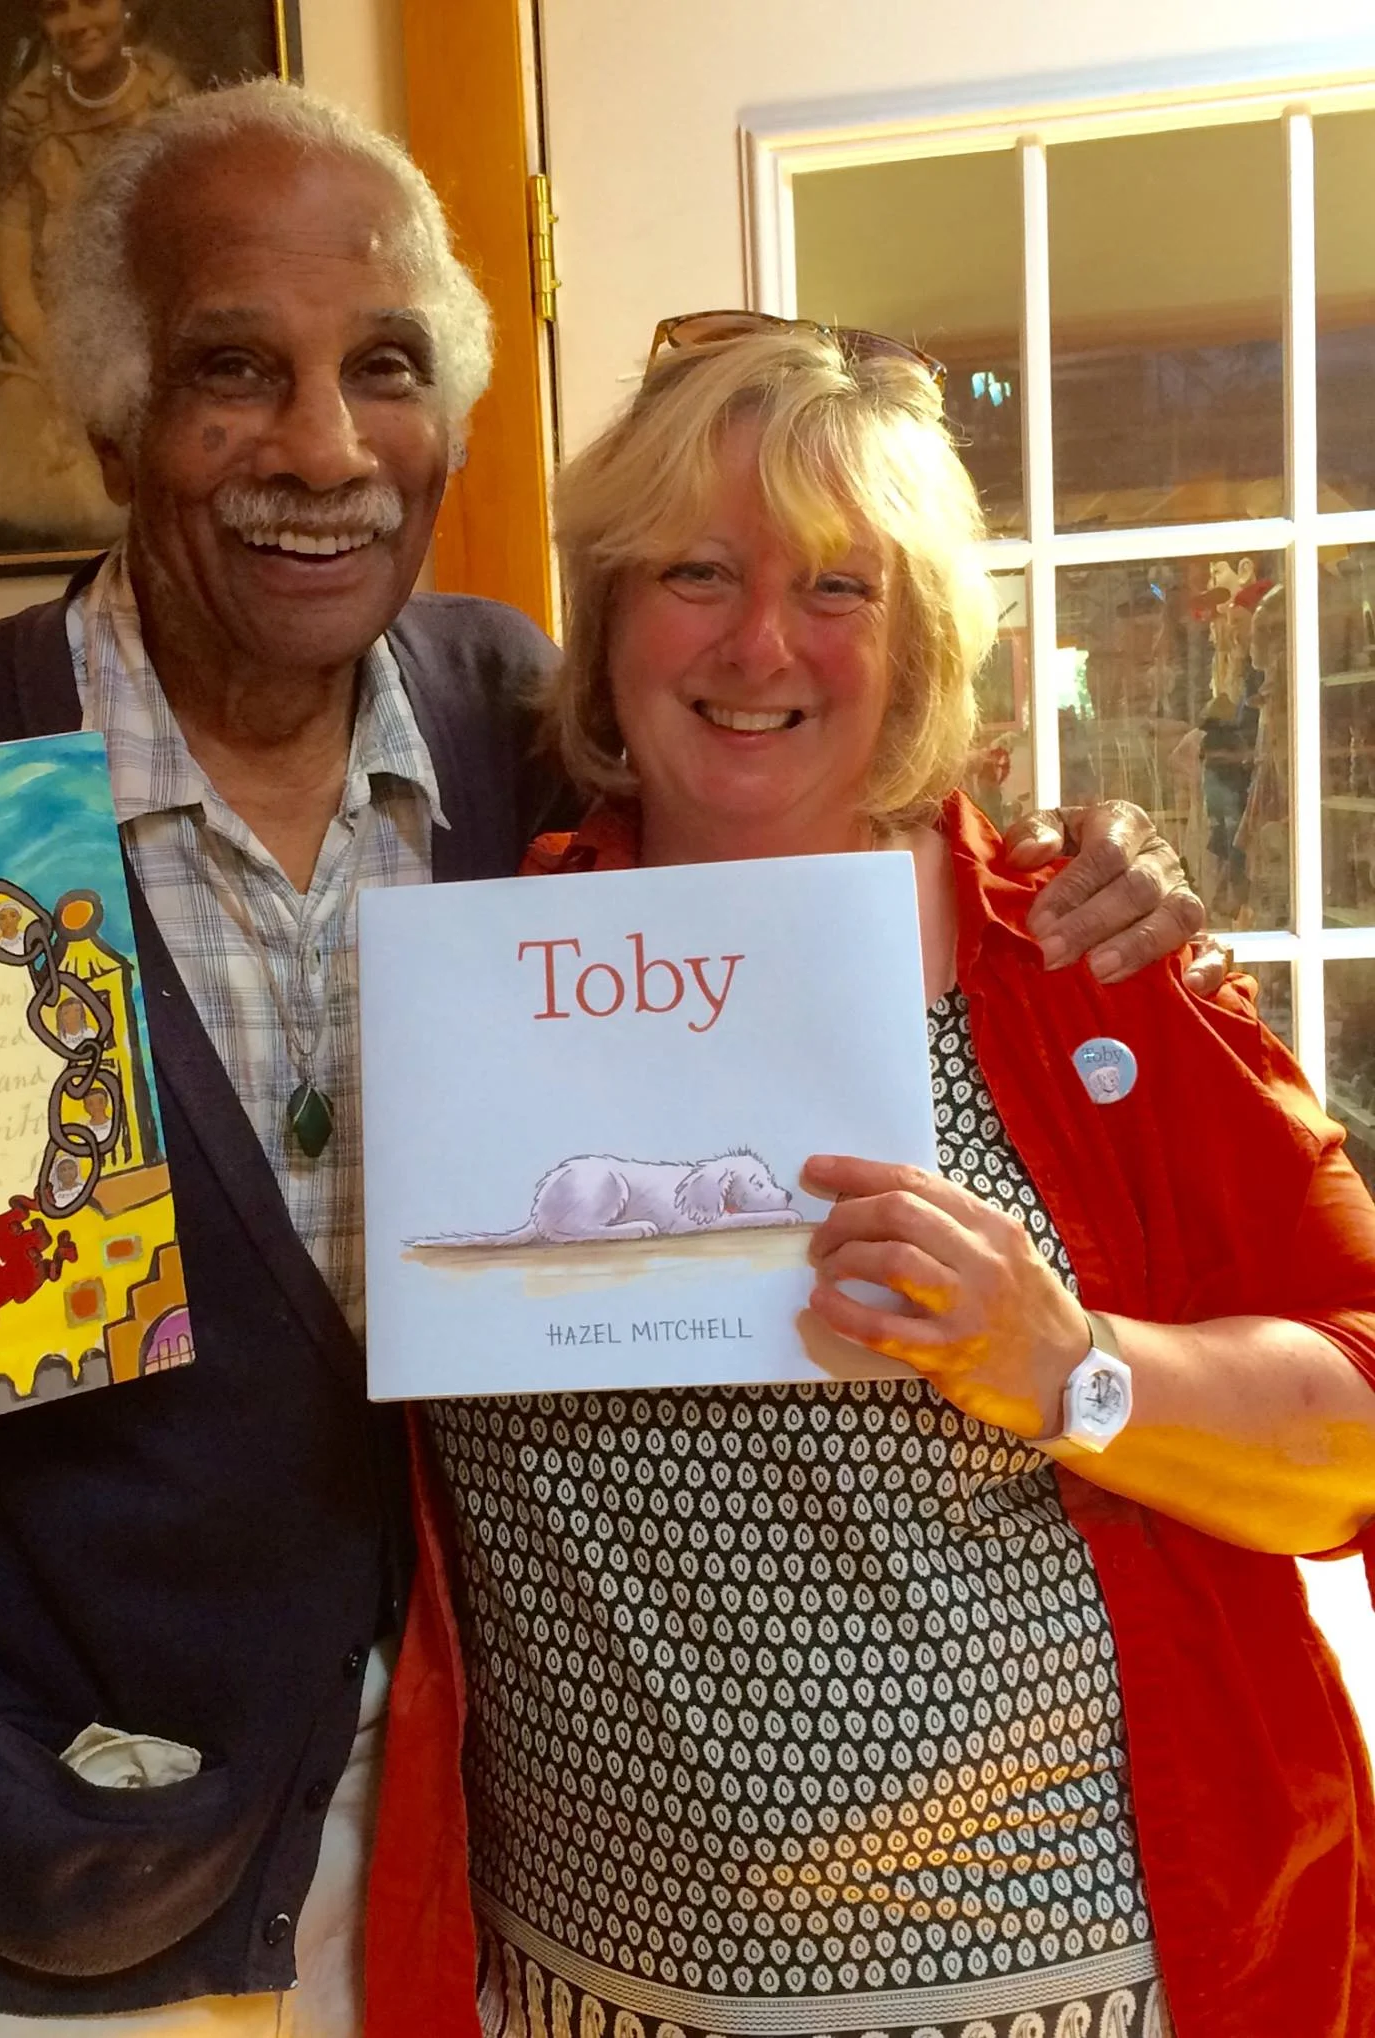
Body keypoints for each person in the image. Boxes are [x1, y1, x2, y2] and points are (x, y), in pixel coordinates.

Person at [0, 85, 1208, 2038]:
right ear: (110, 424)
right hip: (19, 1867)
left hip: (460, 1846)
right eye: (234, 370)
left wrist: (1081, 858)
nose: (325, 447)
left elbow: (804, 780)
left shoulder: (514, 709)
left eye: (384, 369)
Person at [368, 316, 1375, 2038]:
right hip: (576, 1989)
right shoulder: (484, 965)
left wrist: (1067, 1365)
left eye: (838, 585)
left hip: (1046, 1984)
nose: (759, 640)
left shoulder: (1082, 961)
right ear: (606, 617)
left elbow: (1354, 1416)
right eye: (695, 569)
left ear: (914, 645)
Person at [0, 0, 189, 544]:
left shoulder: (169, 100)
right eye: (56, 8)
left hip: (150, 345)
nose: (75, 24)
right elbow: (14, 287)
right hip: (47, 355)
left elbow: (190, 260)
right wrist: (67, 379)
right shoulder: (27, 117)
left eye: (92, 2)